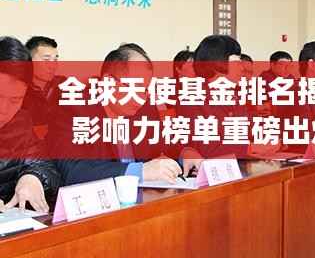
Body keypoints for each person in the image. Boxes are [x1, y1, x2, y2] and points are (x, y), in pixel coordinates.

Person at [49, 43, 200, 185]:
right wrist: (139, 171)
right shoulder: (73, 109)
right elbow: (74, 171)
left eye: (145, 89)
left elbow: (165, 140)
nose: (141, 98)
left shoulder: (144, 107)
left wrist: (186, 152)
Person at [0, 36, 61, 212]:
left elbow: (45, 166)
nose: (4, 109)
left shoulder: (20, 122)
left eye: (15, 100)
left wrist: (33, 177)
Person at [22, 36, 65, 138]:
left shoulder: (64, 84)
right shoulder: (18, 90)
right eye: (46, 59)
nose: (53, 65)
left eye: (55, 59)